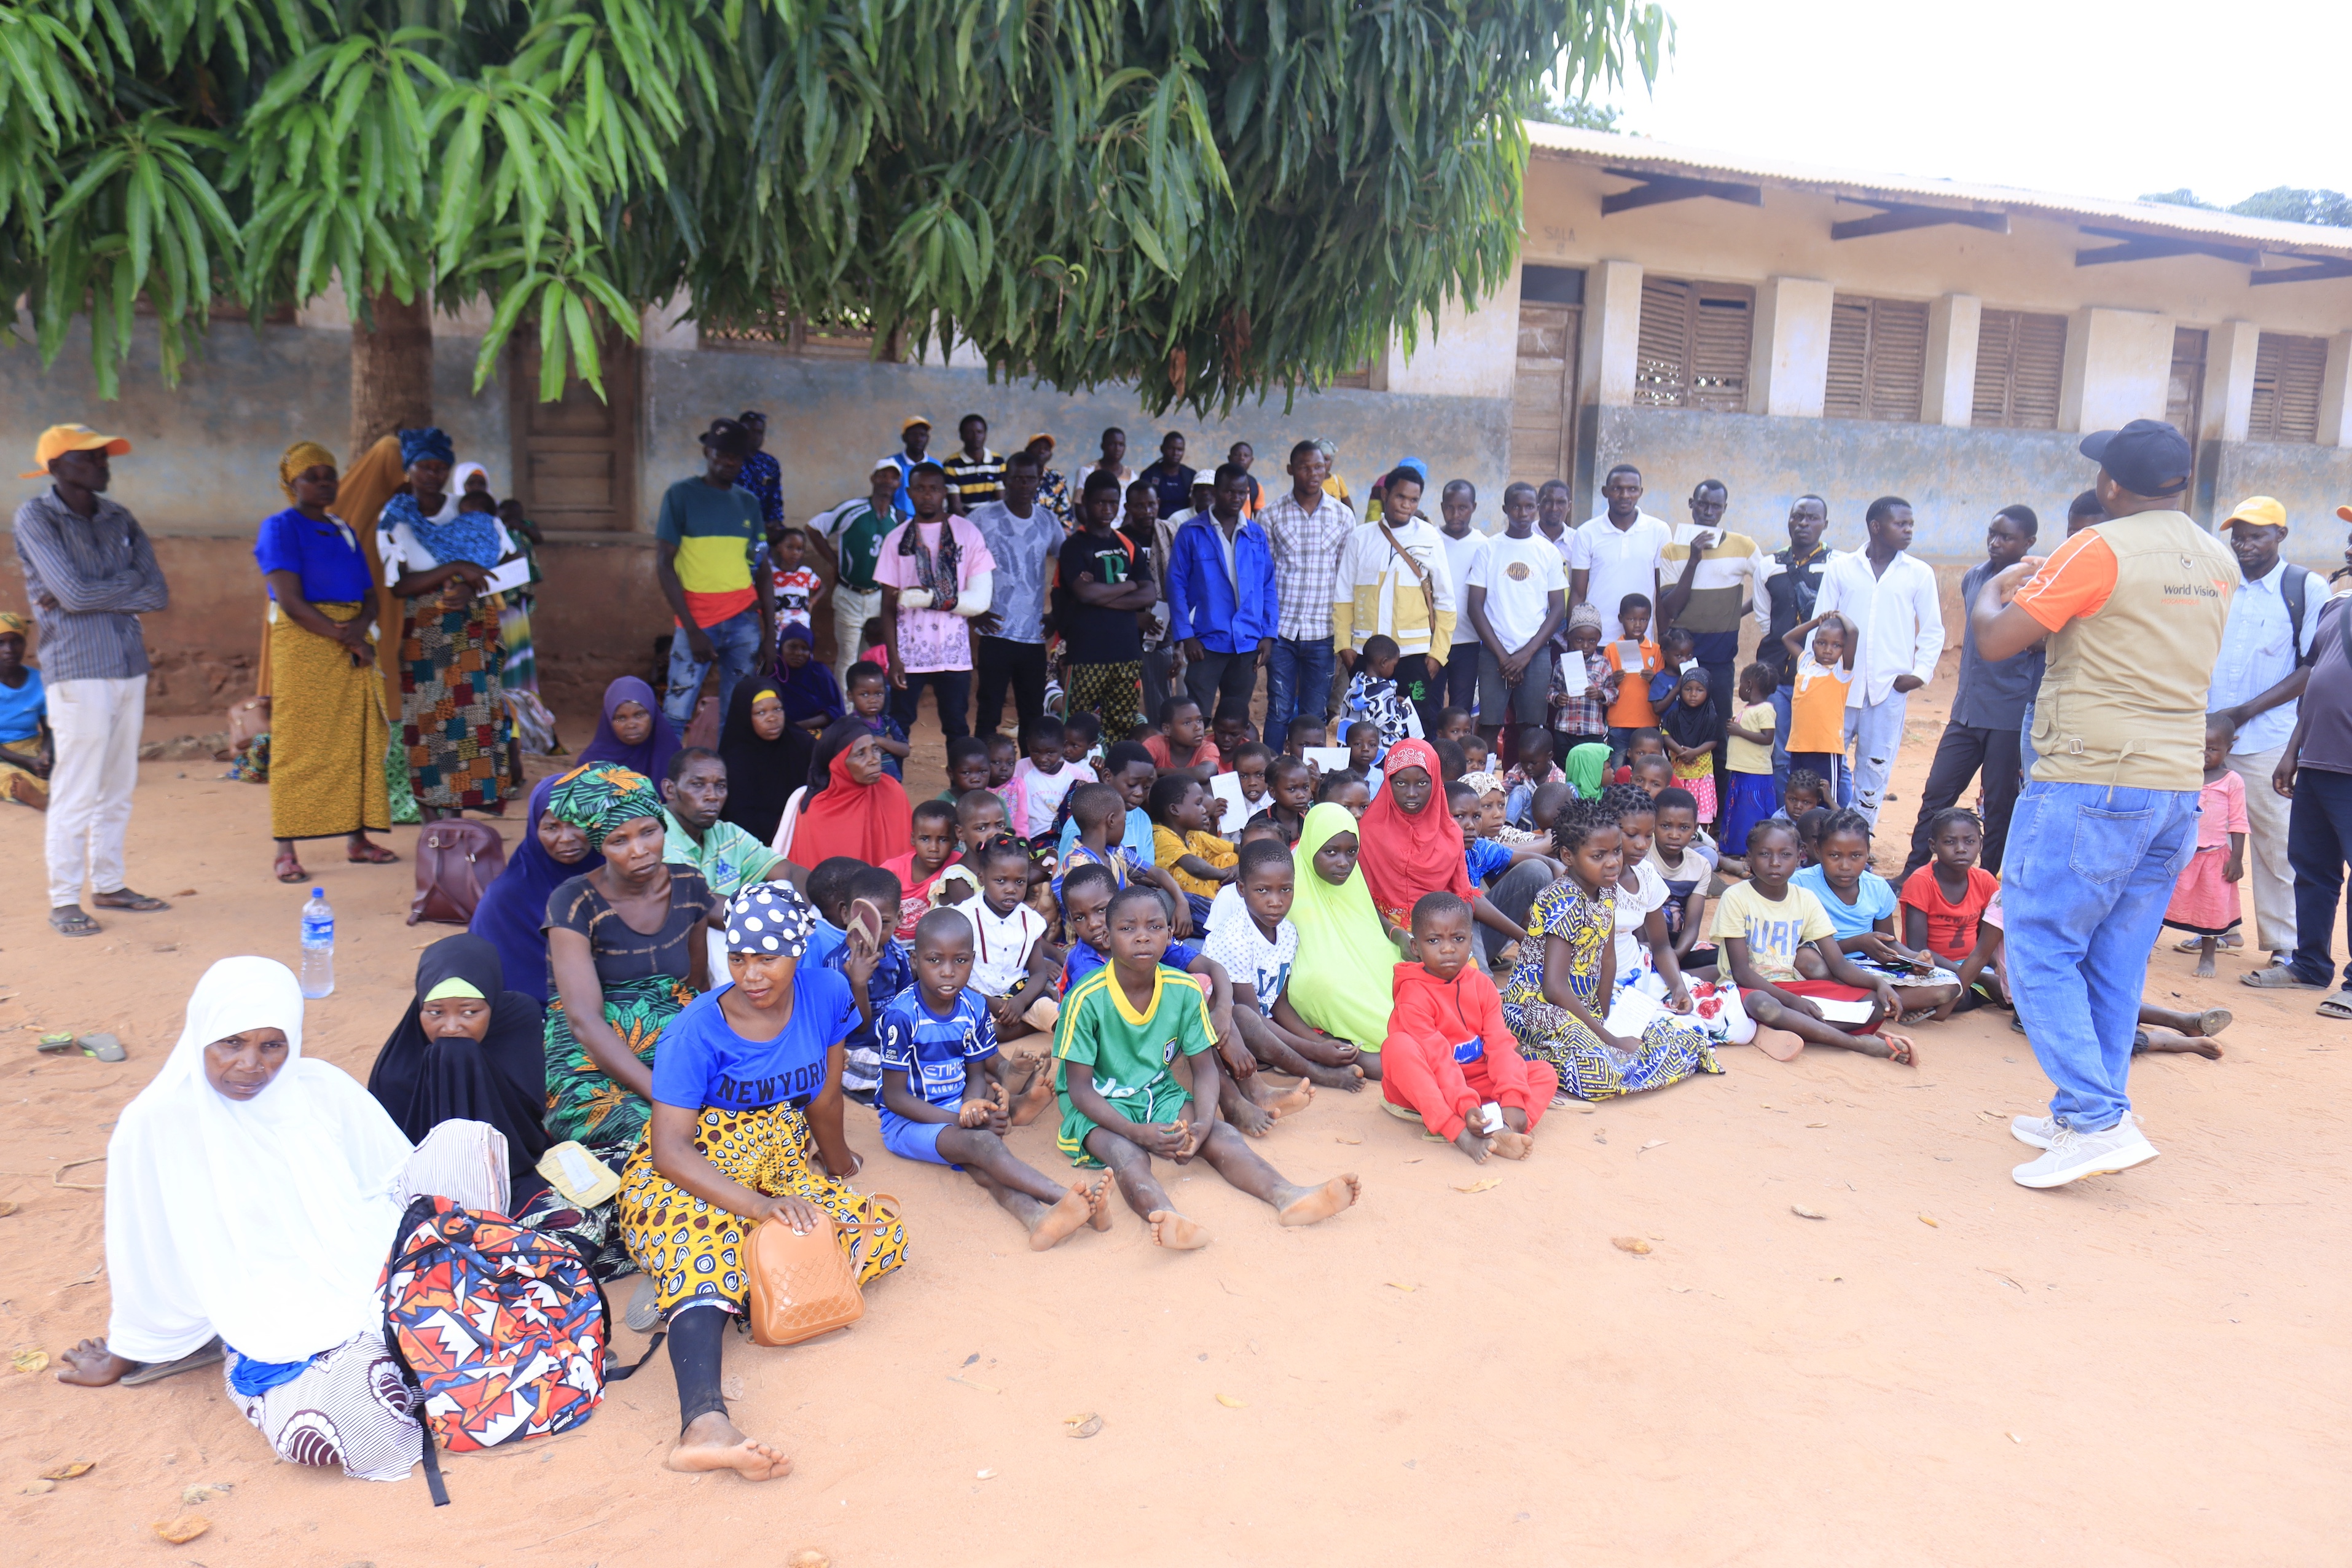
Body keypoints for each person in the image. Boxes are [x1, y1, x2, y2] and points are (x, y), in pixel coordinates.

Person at [53, 957, 498, 1483]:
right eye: (231, 1043)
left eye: (272, 1045)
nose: (252, 1064)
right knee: (346, 1420)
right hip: (270, 1304)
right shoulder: (153, 1124)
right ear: (200, 1036)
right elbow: (146, 1247)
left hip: (374, 1264)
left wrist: (386, 1253)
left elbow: (394, 1181)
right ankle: (383, 1377)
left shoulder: (320, 1087)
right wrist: (134, 1347)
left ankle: (418, 1355)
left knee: (466, 1143)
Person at [1967, 418, 2235, 1188]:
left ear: (2112, 485)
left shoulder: (2100, 547)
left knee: (2042, 942)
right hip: (2173, 785)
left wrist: (1994, 589)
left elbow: (1997, 641)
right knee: (2116, 952)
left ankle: (2093, 1117)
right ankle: (2091, 1104)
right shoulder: (2214, 555)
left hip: (2091, 777)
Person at [617, 884, 909, 1480]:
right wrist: (760, 1208)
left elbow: (826, 1096)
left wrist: (842, 1165)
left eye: (767, 957)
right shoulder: (695, 1030)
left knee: (880, 1232)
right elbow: (670, 1150)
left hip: (779, 1160)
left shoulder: (827, 992)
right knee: (709, 1255)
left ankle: (725, 1287)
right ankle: (703, 1423)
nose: (751, 972)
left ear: (799, 950)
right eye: (738, 956)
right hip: (694, 1169)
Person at [1054, 884, 1360, 1249]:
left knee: (1220, 1134)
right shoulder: (1085, 999)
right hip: (1098, 1103)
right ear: (1110, 933)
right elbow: (1080, 1090)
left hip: (1155, 1092)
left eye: (1154, 927)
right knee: (1128, 1154)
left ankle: (1288, 1195)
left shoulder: (1183, 990)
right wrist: (1138, 1133)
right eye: (1127, 929)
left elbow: (1204, 1070)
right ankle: (1167, 1216)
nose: (1141, 938)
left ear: (1170, 935)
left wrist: (1200, 1123)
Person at [542, 763, 724, 1258]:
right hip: (592, 1057)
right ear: (600, 844)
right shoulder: (573, 902)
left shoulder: (688, 883)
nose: (640, 849)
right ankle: (669, 1245)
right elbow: (584, 1021)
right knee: (651, 1135)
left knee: (732, 1120)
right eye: (620, 840)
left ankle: (681, 1239)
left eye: (649, 832)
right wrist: (664, 1094)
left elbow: (699, 977)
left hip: (670, 1035)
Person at [17, 423, 171, 936]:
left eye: (104, 457)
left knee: (119, 784)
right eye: (92, 458)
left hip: (128, 663)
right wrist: (109, 588)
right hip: (78, 666)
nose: (105, 465)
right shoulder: (36, 516)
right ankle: (64, 900)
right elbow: (75, 595)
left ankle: (109, 883)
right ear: (58, 467)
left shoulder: (119, 517)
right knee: (76, 788)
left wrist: (90, 591)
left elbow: (155, 592)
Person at [879, 906, 1104, 1241]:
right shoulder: (902, 1016)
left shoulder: (973, 1006)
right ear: (916, 961)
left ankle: (1037, 1219)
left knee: (981, 1163)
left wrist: (972, 1108)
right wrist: (961, 1120)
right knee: (983, 1146)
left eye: (960, 961)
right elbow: (895, 1098)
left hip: (956, 1107)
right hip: (908, 1121)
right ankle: (1063, 1197)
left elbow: (975, 1073)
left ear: (972, 959)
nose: (947, 972)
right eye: (934, 960)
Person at [1498, 798, 1724, 1097]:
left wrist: (1604, 1019)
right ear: (1568, 856)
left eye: (1616, 851)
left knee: (1686, 1035)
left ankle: (1579, 1058)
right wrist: (1607, 1037)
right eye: (1599, 855)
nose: (1613, 862)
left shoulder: (1606, 891)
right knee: (1598, 1070)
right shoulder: (1561, 900)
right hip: (1536, 1006)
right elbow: (1553, 988)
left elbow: (1608, 959)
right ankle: (1527, 1057)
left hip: (1582, 1006)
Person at [254, 440, 394, 882]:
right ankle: (286, 849)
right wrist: (345, 637)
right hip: (306, 641)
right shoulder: (280, 528)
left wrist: (359, 629)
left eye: (329, 475)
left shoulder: (344, 530)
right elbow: (292, 602)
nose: (323, 483)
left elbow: (371, 595)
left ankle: (358, 840)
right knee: (300, 742)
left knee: (356, 740)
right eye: (311, 476)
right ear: (290, 483)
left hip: (352, 636)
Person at [2206, 496, 2322, 973]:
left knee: (2276, 843)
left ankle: (2285, 945)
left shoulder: (2304, 587)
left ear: (2281, 536)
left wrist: (2243, 713)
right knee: (2208, 838)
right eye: (2239, 535)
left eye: (2257, 535)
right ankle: (2215, 927)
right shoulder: (2221, 583)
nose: (2245, 544)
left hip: (2268, 738)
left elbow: (2313, 666)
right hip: (2211, 740)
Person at [1896, 506, 2042, 877]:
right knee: (1937, 794)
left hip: (2009, 715)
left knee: (1999, 806)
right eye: (1992, 534)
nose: (1995, 543)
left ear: (2029, 543)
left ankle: (1991, 884)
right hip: (1966, 711)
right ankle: (1913, 873)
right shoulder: (1975, 577)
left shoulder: (2035, 585)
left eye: (2006, 537)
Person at [368, 933, 551, 1203]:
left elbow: (527, 1119)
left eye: (469, 1012)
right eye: (435, 1012)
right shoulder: (396, 1073)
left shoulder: (518, 1023)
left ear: (492, 1005)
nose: (451, 1027)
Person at [1710, 818, 1911, 1060]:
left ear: (1799, 857)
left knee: (1875, 1004)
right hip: (1748, 989)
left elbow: (1838, 964)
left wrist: (1879, 985)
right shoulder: (1736, 897)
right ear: (1749, 859)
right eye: (1764, 854)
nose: (1775, 863)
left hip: (1793, 985)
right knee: (1765, 1006)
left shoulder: (1805, 899)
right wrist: (1792, 1001)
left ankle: (1783, 1029)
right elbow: (1741, 973)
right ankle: (1857, 1044)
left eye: (1785, 854)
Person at [1381, 892, 1553, 1161]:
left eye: (1458, 939)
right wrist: (1466, 1106)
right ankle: (1459, 1132)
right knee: (1397, 1047)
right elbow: (1437, 1058)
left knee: (1543, 1073)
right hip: (1428, 1087)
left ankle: (1504, 1129)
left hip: (1476, 1081)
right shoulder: (1413, 995)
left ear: (1471, 942)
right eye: (1434, 940)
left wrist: (1512, 1099)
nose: (1448, 949)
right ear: (1416, 948)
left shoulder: (1483, 985)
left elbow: (1499, 1044)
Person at [1813, 496, 1943, 824]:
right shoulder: (1842, 568)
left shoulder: (1919, 573)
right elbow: (1819, 623)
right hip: (1838, 687)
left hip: (1888, 690)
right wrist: (1818, 675)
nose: (1908, 530)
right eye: (1901, 524)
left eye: (1910, 524)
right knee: (1825, 764)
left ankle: (1861, 841)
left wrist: (1919, 674)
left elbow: (1932, 630)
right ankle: (1818, 837)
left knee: (1874, 770)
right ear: (1876, 527)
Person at [2262, 565, 2352, 1016]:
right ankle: (2310, 965)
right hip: (2317, 760)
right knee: (2312, 867)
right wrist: (2293, 750)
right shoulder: (2337, 608)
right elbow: (2315, 679)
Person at [1354, 736, 1529, 958]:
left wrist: (1459, 938)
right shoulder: (1368, 832)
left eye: (1422, 783)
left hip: (1442, 931)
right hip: (1383, 931)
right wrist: (1398, 935)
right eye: (1400, 783)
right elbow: (1363, 899)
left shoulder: (1449, 833)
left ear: (1436, 782)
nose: (1411, 793)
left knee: (1472, 983)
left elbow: (1463, 895)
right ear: (1388, 783)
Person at [654, 419, 774, 731]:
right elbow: (665, 564)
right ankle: (669, 779)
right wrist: (692, 629)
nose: (728, 460)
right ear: (707, 451)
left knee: (737, 714)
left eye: (735, 454)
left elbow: (761, 567)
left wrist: (771, 635)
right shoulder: (680, 496)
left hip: (744, 622)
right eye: (721, 452)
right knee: (677, 711)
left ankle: (726, 779)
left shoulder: (748, 503)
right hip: (697, 620)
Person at [1791, 809, 1961, 1013]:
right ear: (1817, 850)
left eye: (1856, 856)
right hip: (1827, 966)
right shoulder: (1800, 885)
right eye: (1834, 855)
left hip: (1869, 967)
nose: (1845, 866)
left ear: (1868, 851)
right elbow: (1794, 946)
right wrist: (1858, 943)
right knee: (1807, 962)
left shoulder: (1878, 887)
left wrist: (1913, 959)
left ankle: (1864, 1005)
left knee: (1949, 986)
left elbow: (1889, 941)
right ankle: (1882, 1005)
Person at [1284, 800, 1409, 1073]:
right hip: (1320, 983)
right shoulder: (1286, 883)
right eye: (1330, 852)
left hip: (1362, 965)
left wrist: (1398, 937)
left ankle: (1402, 1046)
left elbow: (1371, 921)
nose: (1344, 863)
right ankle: (1398, 1050)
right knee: (1328, 983)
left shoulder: (1352, 879)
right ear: (1311, 847)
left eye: (1352, 852)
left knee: (1402, 972)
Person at [874, 461, 995, 743]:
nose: (927, 495)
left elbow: (979, 599)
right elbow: (888, 607)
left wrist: (931, 598)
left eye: (933, 489)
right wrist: (894, 659)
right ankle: (894, 786)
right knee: (899, 726)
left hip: (953, 653)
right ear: (908, 492)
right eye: (919, 489)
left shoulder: (967, 533)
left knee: (957, 727)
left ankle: (961, 788)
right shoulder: (896, 539)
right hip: (909, 654)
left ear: (944, 492)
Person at [1335, 464, 1456, 734]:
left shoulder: (1429, 537)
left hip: (1414, 655)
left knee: (1417, 725)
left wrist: (1438, 654)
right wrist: (1344, 645)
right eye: (1400, 497)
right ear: (1386, 494)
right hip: (1367, 654)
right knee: (1364, 725)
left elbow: (1446, 602)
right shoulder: (1360, 537)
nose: (1407, 505)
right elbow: (1343, 598)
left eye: (1414, 500)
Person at [1260, 440, 1357, 752]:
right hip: (1282, 632)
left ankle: (1307, 781)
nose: (1313, 473)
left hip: (1323, 632)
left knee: (1314, 715)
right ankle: (1270, 777)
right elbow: (1265, 576)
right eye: (1304, 467)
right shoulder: (1272, 516)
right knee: (1278, 710)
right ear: (1291, 470)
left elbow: (1346, 580)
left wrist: (1347, 634)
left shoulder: (1343, 517)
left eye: (1318, 466)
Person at [1167, 463, 1277, 726]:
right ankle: (1197, 765)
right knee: (1196, 718)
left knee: (1235, 720)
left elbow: (1268, 585)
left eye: (1242, 493)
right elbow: (1176, 584)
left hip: (1247, 641)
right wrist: (1186, 636)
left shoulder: (1255, 534)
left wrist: (1268, 634)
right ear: (1216, 492)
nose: (1237, 498)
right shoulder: (1192, 532)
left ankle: (1231, 767)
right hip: (1205, 642)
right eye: (1230, 492)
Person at [468, 772, 590, 1005]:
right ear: (535, 830)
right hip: (536, 1019)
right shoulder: (506, 899)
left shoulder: (618, 877)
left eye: (577, 823)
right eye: (551, 827)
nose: (566, 838)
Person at [966, 448, 1061, 741]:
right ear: (1005, 480)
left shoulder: (1048, 521)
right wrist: (973, 612)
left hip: (1033, 636)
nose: (1023, 485)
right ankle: (982, 777)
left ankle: (1028, 781)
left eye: (1030, 479)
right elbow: (957, 564)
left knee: (1032, 714)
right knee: (989, 710)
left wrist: (1057, 614)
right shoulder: (981, 518)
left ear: (1039, 481)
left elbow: (1068, 567)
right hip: (994, 632)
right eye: (1017, 479)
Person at [1464, 481, 1566, 751]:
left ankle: (1526, 788)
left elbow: (1558, 608)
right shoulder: (1489, 549)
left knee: (1532, 727)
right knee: (1488, 724)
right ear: (1505, 509)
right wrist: (1504, 656)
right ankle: (1481, 784)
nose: (1523, 513)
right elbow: (1475, 606)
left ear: (1538, 508)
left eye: (1529, 507)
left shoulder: (1548, 552)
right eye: (1516, 507)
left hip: (1535, 653)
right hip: (1495, 652)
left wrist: (1526, 655)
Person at [1657, 479, 1760, 737]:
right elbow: (1671, 607)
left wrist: (1737, 613)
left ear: (1725, 508)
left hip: (1721, 656)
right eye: (1703, 504)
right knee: (1680, 726)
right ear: (1692, 505)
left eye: (1716, 506)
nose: (1708, 511)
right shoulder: (1672, 550)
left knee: (1719, 728)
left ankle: (1719, 779)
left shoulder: (1744, 546)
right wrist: (1693, 560)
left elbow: (1769, 585)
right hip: (1682, 657)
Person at [1056, 471, 1156, 737]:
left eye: (1113, 503)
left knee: (1123, 728)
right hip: (1087, 654)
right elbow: (1084, 594)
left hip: (1126, 653)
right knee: (1078, 729)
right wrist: (1129, 585)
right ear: (1086, 501)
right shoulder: (1074, 547)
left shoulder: (1128, 545)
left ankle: (1114, 779)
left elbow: (1149, 595)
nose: (1107, 509)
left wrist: (1100, 594)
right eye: (1100, 502)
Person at [1754, 495, 1831, 795]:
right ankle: (1781, 819)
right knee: (1779, 753)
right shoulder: (1769, 564)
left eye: (1812, 518)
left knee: (1813, 750)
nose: (1803, 524)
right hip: (1776, 674)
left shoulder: (1837, 564)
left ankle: (1812, 818)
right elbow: (1764, 619)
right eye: (1797, 517)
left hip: (1818, 676)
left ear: (1826, 523)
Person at [806, 458, 902, 694]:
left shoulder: (899, 518)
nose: (887, 481)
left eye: (893, 477)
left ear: (899, 483)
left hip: (879, 597)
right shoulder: (852, 509)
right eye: (882, 475)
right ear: (873, 479)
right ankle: (845, 712)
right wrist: (834, 561)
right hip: (850, 594)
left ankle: (870, 710)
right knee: (849, 657)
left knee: (872, 655)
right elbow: (813, 527)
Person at [2164, 729, 2249, 977]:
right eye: (2200, 747)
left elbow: (2239, 822)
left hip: (2214, 856)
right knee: (2162, 903)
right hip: (2180, 853)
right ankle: (2144, 949)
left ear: (2228, 750)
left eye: (2212, 749)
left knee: (2211, 908)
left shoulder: (2232, 781)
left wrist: (2236, 858)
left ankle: (2208, 958)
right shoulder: (2185, 774)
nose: (2205, 754)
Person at [661, 745, 786, 901]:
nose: (712, 796)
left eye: (720, 786)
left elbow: (791, 872)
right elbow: (695, 903)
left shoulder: (728, 834)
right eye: (698, 785)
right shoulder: (654, 838)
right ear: (669, 790)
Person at [1568, 464, 1669, 642]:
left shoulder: (1659, 531)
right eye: (1617, 489)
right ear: (1605, 491)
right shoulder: (1587, 532)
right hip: (1596, 640)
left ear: (1641, 492)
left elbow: (1662, 594)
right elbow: (1578, 593)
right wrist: (1574, 642)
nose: (1625, 496)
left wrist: (1662, 639)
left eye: (1632, 489)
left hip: (1639, 640)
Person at [1782, 613, 1857, 799]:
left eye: (1836, 645)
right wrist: (1817, 622)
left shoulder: (1841, 671)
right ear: (1813, 643)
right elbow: (1788, 638)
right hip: (1799, 746)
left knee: (1824, 798)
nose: (1828, 650)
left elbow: (1853, 632)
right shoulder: (1806, 662)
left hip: (1825, 749)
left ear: (1844, 649)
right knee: (1800, 797)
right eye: (1822, 643)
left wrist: (1840, 615)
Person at [580, 674, 684, 780]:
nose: (631, 725)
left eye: (639, 715)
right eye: (620, 718)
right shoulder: (590, 766)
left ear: (653, 715)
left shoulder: (673, 757)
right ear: (608, 722)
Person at [1722, 662, 1779, 852]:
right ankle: (1734, 848)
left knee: (1750, 813)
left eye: (1740, 683)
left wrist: (1739, 731)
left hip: (1755, 773)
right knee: (1738, 811)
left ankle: (1750, 850)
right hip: (1741, 769)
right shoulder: (1748, 709)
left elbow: (1767, 737)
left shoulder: (1765, 710)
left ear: (1748, 685)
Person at [1007, 713, 1091, 841]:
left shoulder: (1077, 775)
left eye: (1050, 752)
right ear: (1027, 744)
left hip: (1064, 841)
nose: (1042, 759)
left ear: (1063, 746)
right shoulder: (1021, 768)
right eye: (1035, 751)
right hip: (1027, 840)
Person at [1659, 667, 1723, 827]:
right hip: (1679, 772)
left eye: (1699, 690)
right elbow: (1666, 735)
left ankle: (1701, 836)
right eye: (1688, 689)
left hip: (1700, 774)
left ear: (1708, 692)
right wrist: (1680, 751)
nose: (1693, 694)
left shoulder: (1711, 716)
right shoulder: (1674, 715)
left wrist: (1694, 752)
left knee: (1701, 811)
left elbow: (1713, 741)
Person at [1602, 594, 1660, 763]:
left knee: (1647, 767)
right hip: (1619, 721)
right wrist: (1613, 681)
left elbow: (1664, 687)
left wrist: (1654, 679)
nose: (1637, 624)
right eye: (1631, 619)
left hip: (1648, 721)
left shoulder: (1655, 650)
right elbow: (1603, 688)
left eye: (1643, 620)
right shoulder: (1611, 650)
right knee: (1618, 768)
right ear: (1621, 619)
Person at [0, 610, 50, 809]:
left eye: (16, 642)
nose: (9, 649)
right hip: (3, 751)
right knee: (11, 777)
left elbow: (50, 729)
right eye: (1, 643)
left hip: (31, 746)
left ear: (25, 644)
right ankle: (26, 790)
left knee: (73, 760)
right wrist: (28, 763)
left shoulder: (40, 680)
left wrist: (46, 755)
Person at [762, 526, 823, 642]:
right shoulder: (771, 574)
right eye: (790, 547)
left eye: (799, 549)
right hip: (778, 626)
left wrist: (813, 601)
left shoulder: (805, 573)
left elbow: (821, 587)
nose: (795, 553)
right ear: (779, 547)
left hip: (802, 625)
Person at [940, 413, 1003, 512]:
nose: (976, 437)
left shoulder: (998, 462)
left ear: (985, 435)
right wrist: (972, 526)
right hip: (963, 522)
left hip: (991, 521)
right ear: (961, 436)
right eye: (970, 432)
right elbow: (956, 508)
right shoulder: (951, 465)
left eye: (979, 432)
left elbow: (1000, 503)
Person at [734, 410, 785, 534]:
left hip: (764, 530)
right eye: (751, 431)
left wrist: (775, 523)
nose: (755, 436)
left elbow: (775, 498)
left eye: (759, 432)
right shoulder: (730, 460)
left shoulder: (770, 463)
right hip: (734, 527)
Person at [881, 415, 931, 515]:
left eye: (922, 435)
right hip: (897, 521)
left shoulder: (935, 466)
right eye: (913, 435)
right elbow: (884, 497)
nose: (918, 439)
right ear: (904, 438)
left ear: (928, 438)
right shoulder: (891, 464)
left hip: (928, 522)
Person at [1024, 434, 1073, 528]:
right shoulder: (1018, 477)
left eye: (1046, 449)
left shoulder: (1057, 478)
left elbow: (1066, 514)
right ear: (1027, 451)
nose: (1042, 451)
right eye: (1037, 447)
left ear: (1050, 455)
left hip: (1051, 536)